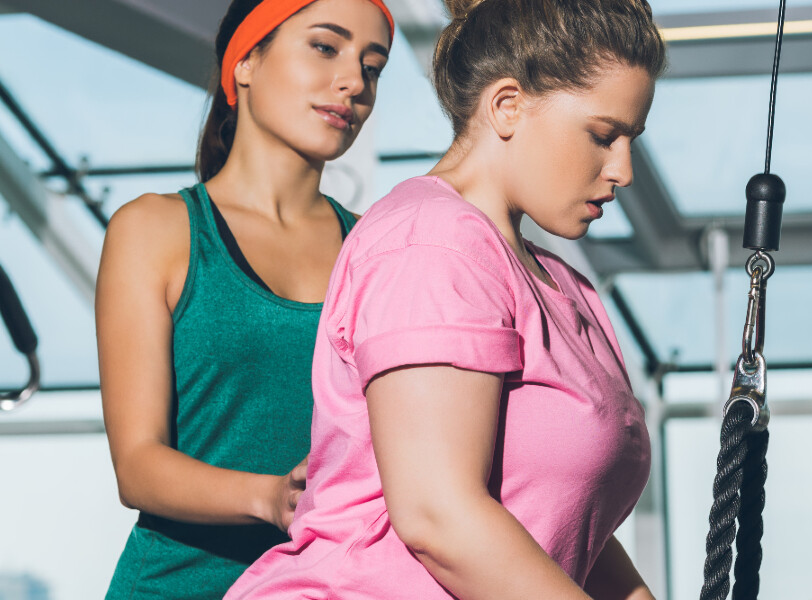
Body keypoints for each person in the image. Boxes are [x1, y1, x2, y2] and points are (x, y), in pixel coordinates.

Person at [226, 1, 666, 599]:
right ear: (508, 106)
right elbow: (439, 517)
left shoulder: (568, 290)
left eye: (630, 140)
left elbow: (568, 526)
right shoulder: (431, 244)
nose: (624, 170)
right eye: (602, 135)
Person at [94, 0, 392, 597]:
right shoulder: (156, 230)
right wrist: (270, 497)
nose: (354, 81)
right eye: (325, 47)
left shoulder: (378, 248)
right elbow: (138, 465)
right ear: (246, 61)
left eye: (373, 66)